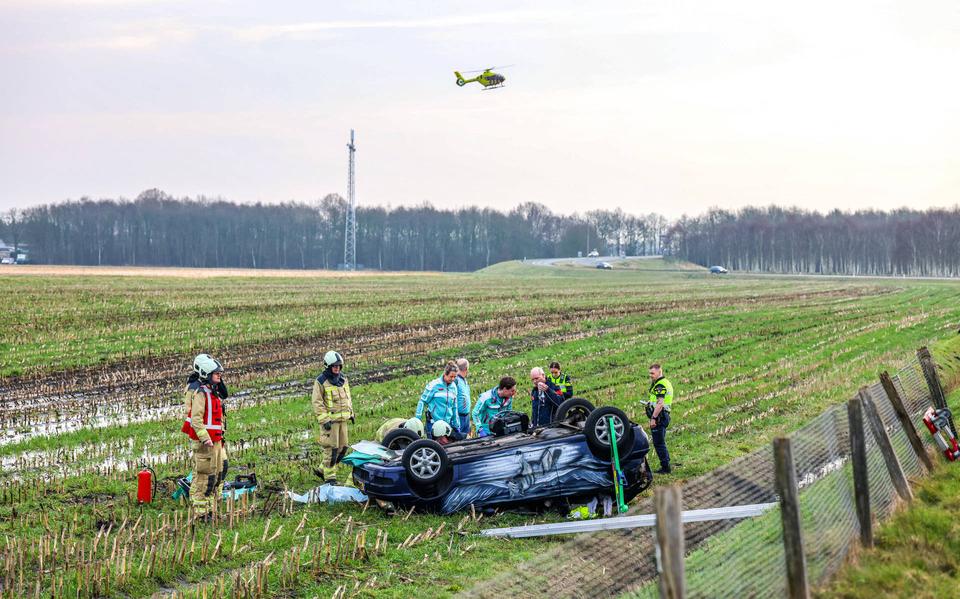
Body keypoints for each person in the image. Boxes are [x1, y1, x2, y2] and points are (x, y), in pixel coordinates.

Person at [181, 353, 228, 521]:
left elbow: (223, 396)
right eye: (216, 373)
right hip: (204, 441)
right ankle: (201, 511)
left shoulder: (211, 390)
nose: (219, 376)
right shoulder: (198, 390)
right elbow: (195, 418)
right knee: (204, 476)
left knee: (220, 470)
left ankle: (212, 505)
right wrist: (204, 437)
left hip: (216, 440)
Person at [312, 350, 354, 484]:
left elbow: (348, 398)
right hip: (330, 423)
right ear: (328, 366)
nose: (337, 368)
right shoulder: (320, 381)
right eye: (334, 366)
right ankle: (330, 478)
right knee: (332, 449)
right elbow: (317, 402)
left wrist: (351, 413)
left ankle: (322, 469)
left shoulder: (343, 379)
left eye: (339, 366)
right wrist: (324, 420)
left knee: (343, 448)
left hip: (343, 420)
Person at [415, 361, 464, 441]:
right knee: (433, 447)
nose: (453, 379)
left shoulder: (454, 387)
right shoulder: (434, 385)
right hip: (433, 423)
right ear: (445, 374)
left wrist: (456, 425)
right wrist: (418, 419)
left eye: (455, 377)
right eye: (451, 376)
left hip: (446, 424)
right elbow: (422, 401)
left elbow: (454, 407)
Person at [646, 363, 674, 474]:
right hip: (664, 416)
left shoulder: (660, 385)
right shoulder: (665, 382)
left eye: (652, 373)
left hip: (659, 417)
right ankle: (666, 464)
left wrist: (653, 418)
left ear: (659, 371)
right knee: (661, 442)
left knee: (658, 443)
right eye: (650, 373)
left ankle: (665, 468)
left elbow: (660, 404)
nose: (651, 375)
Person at [455, 358, 472, 437]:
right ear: (466, 369)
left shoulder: (464, 381)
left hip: (466, 416)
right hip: (459, 416)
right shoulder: (456, 381)